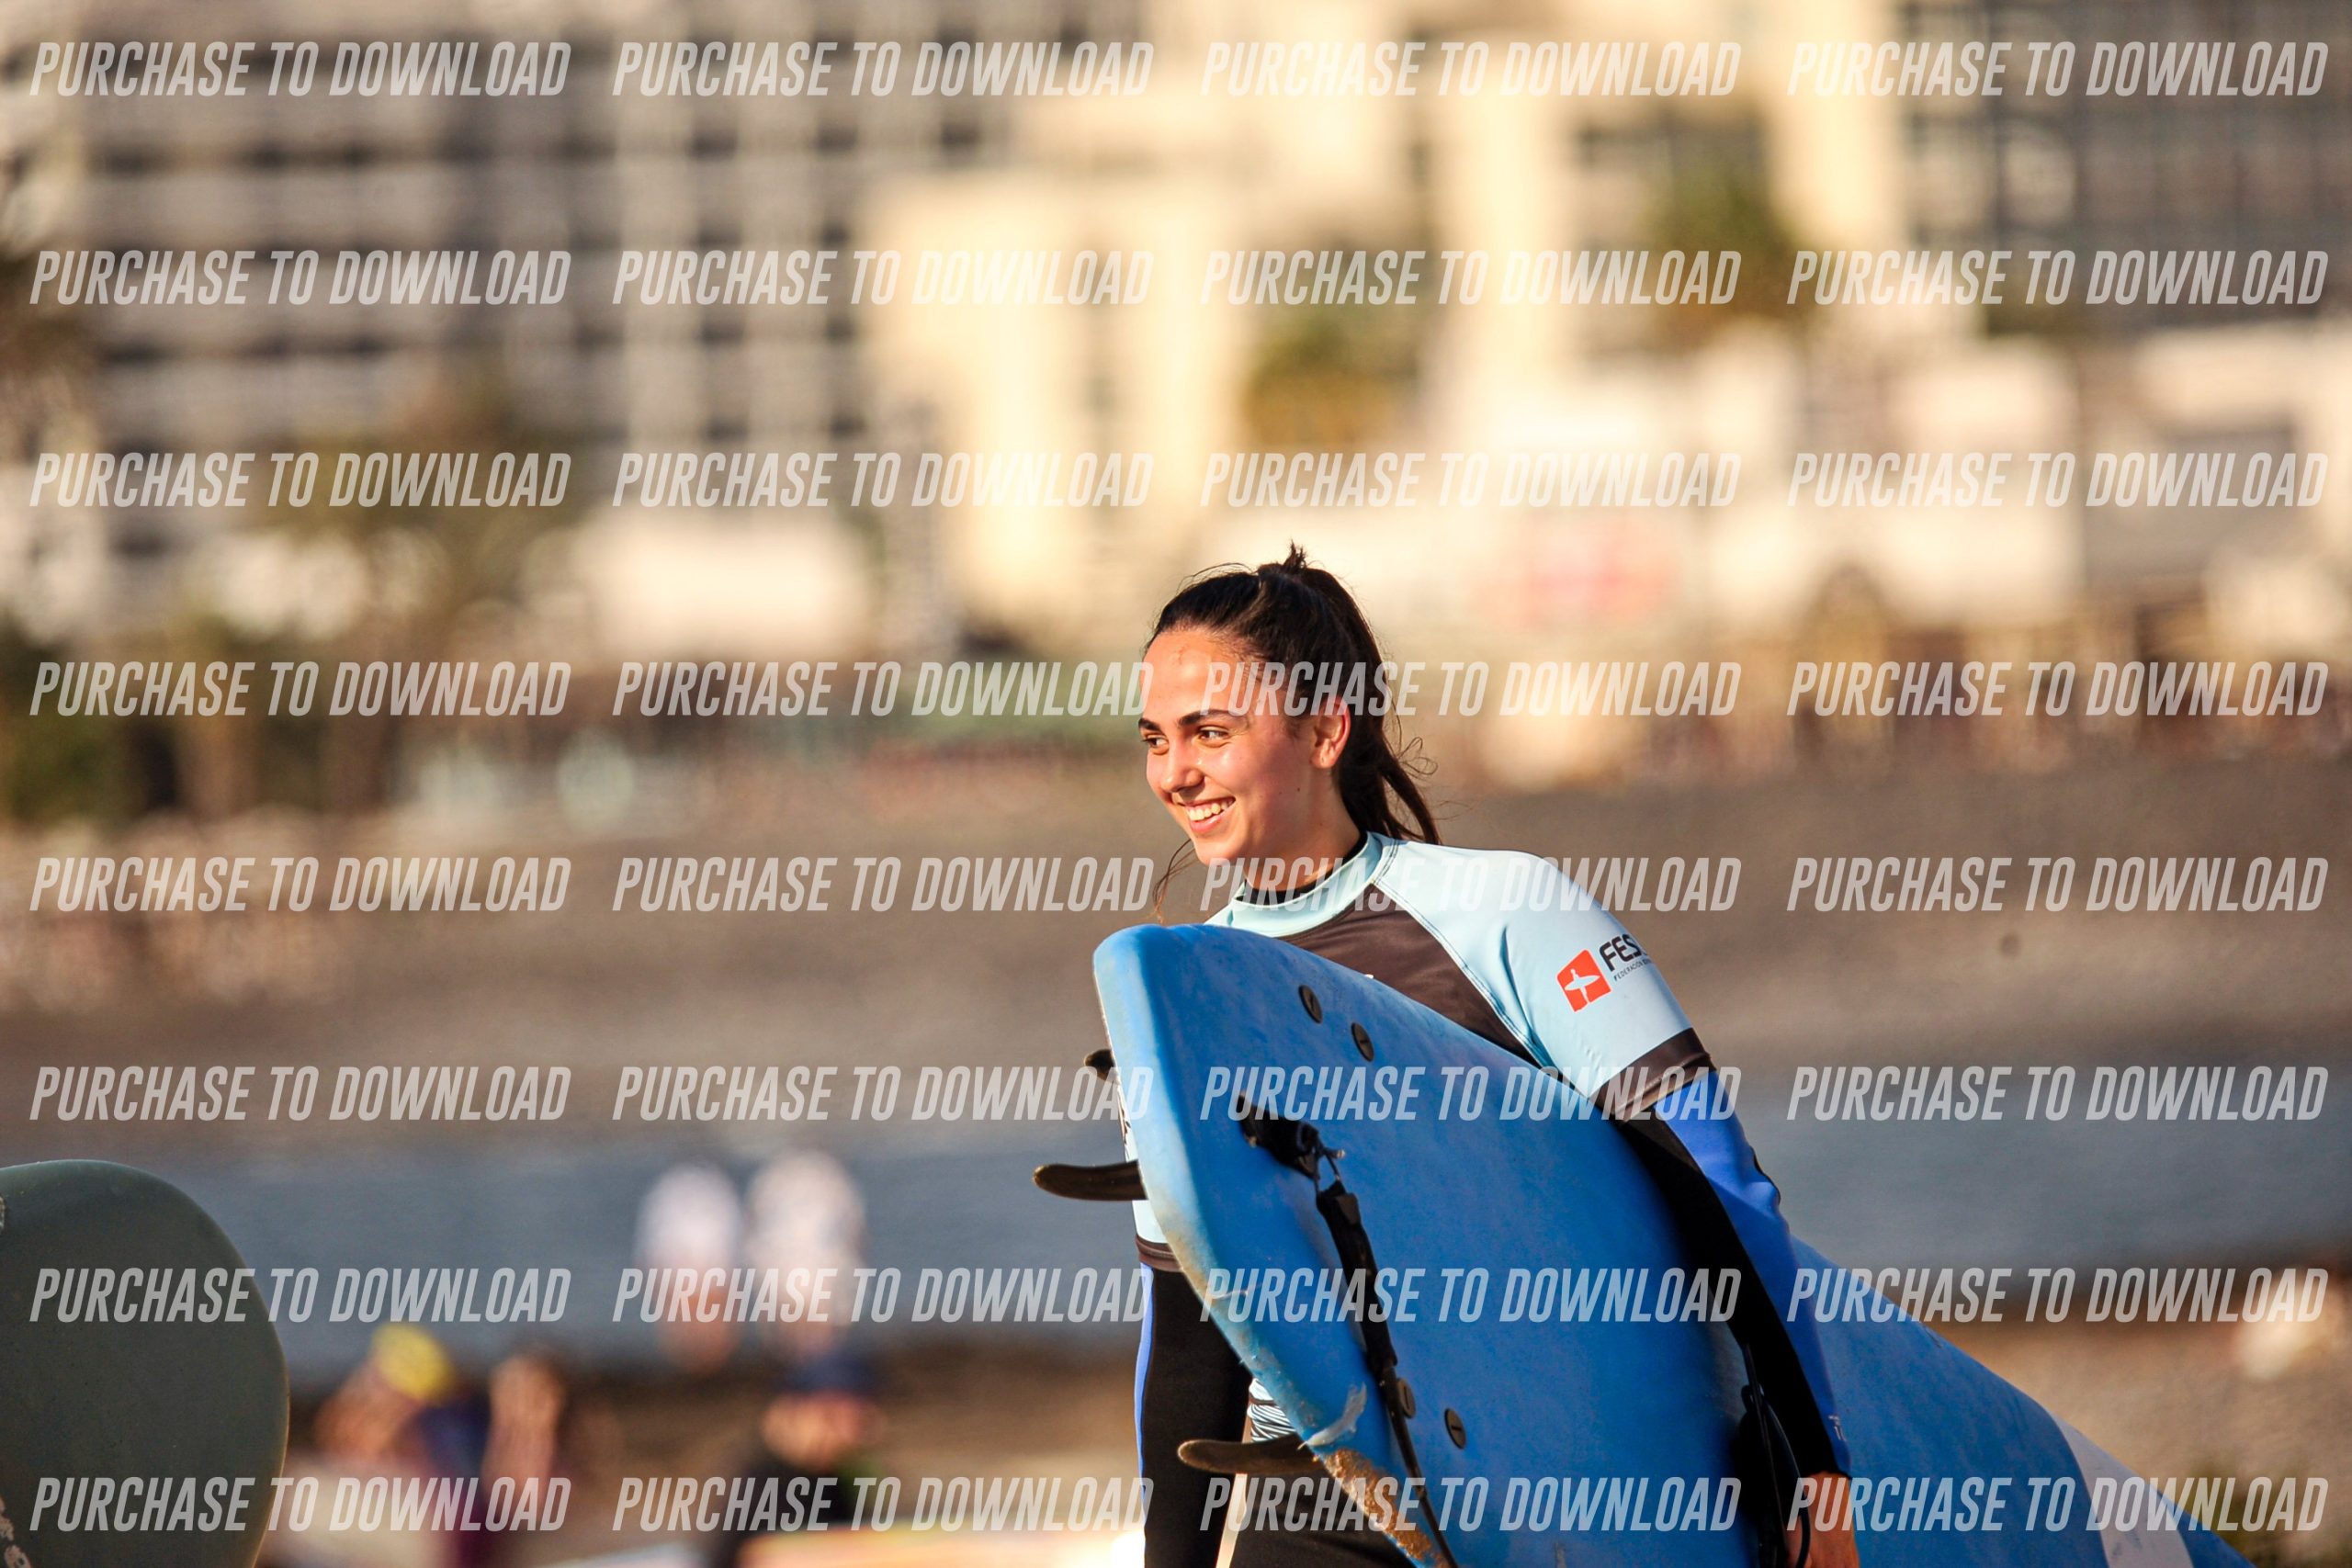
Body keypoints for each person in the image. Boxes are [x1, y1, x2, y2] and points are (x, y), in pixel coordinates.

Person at [1125, 547, 1858, 1567]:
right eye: (1156, 739)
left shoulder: (1503, 913)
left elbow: (1716, 1179)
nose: (1175, 772)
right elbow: (1187, 1334)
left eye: (1211, 732)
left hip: (1559, 1483)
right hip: (1329, 1506)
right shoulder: (1187, 1005)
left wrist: (1813, 1460)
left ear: (1326, 730)